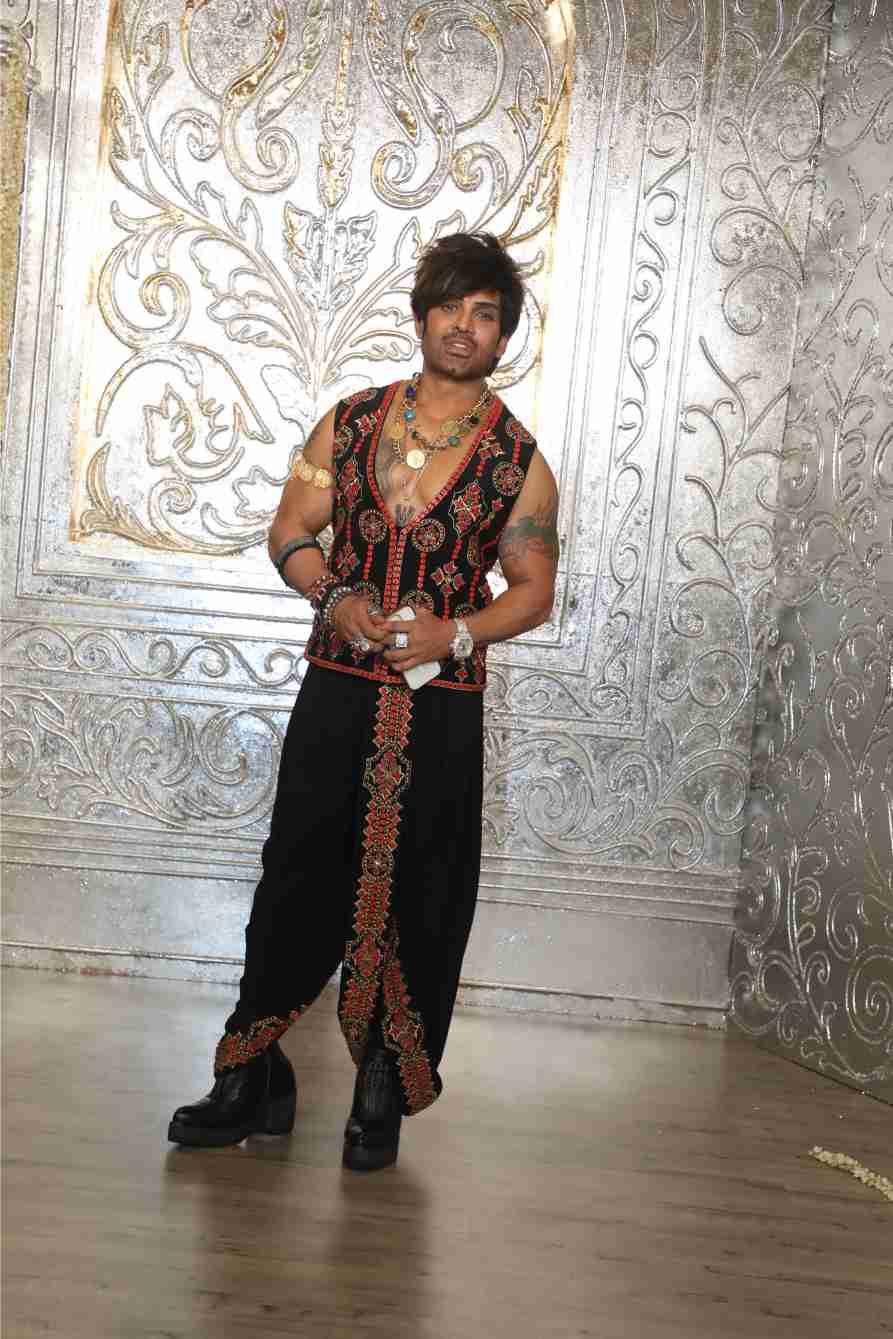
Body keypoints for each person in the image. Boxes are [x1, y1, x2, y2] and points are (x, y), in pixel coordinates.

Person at [168, 232, 560, 1171]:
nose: (464, 326)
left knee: (426, 887)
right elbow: (290, 532)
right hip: (336, 696)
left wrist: (454, 632)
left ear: (503, 337)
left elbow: (533, 591)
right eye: (450, 306)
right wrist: (333, 597)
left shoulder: (518, 460)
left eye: (485, 314)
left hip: (441, 708)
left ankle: (382, 1085)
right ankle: (251, 1073)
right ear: (420, 316)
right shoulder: (348, 425)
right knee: (296, 872)